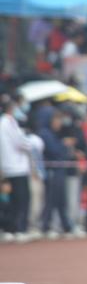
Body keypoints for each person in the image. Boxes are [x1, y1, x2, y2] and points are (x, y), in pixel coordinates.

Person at [1, 96, 36, 241]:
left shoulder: (3, 123)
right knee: (22, 200)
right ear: (11, 109)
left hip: (8, 166)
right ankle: (20, 229)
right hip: (17, 167)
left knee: (12, 200)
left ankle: (10, 229)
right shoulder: (9, 122)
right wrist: (29, 143)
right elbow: (21, 143)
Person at [38, 110, 76, 239]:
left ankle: (66, 226)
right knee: (51, 200)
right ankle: (46, 226)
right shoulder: (45, 133)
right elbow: (55, 151)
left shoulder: (56, 134)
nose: (59, 123)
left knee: (61, 200)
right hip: (51, 171)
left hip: (59, 170)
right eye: (56, 120)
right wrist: (64, 145)